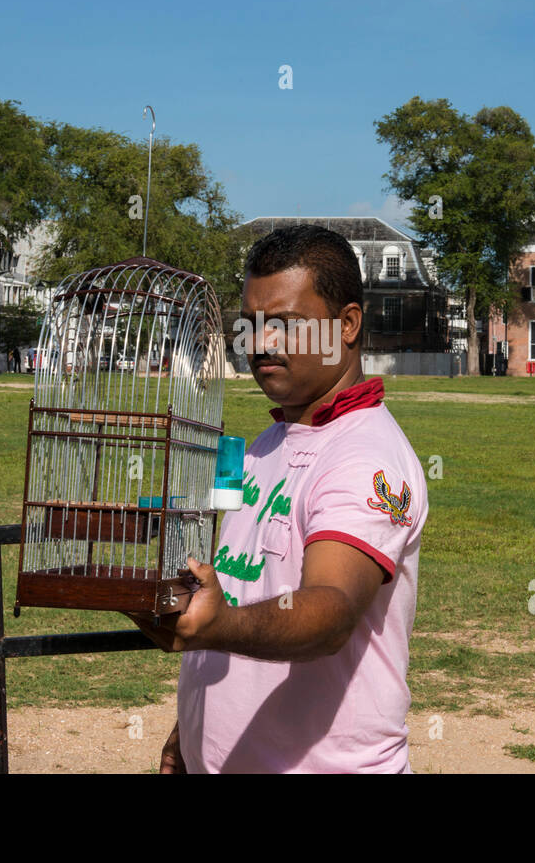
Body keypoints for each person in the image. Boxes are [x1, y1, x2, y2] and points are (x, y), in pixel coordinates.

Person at [130, 225, 427, 773]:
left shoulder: (365, 458)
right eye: (251, 325)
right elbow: (247, 589)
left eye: (285, 326)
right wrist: (191, 730)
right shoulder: (269, 446)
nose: (260, 344)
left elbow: (331, 609)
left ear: (348, 325)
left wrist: (218, 628)